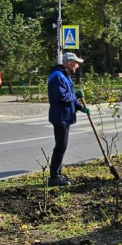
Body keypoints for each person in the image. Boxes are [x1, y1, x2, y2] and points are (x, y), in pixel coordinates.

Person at [47, 52, 90, 187]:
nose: (77, 66)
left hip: (65, 115)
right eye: (76, 63)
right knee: (60, 146)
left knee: (62, 146)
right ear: (69, 63)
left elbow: (69, 98)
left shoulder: (64, 76)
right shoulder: (57, 76)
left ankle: (58, 173)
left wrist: (79, 107)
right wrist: (76, 96)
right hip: (60, 117)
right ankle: (54, 176)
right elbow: (62, 97)